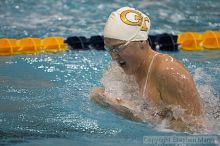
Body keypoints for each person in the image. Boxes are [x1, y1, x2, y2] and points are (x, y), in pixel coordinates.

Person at [90, 7, 203, 131]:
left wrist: (135, 115)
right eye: (109, 49)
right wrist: (104, 100)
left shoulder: (169, 73)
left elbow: (195, 127)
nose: (113, 56)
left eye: (118, 47)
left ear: (141, 41)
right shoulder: (122, 70)